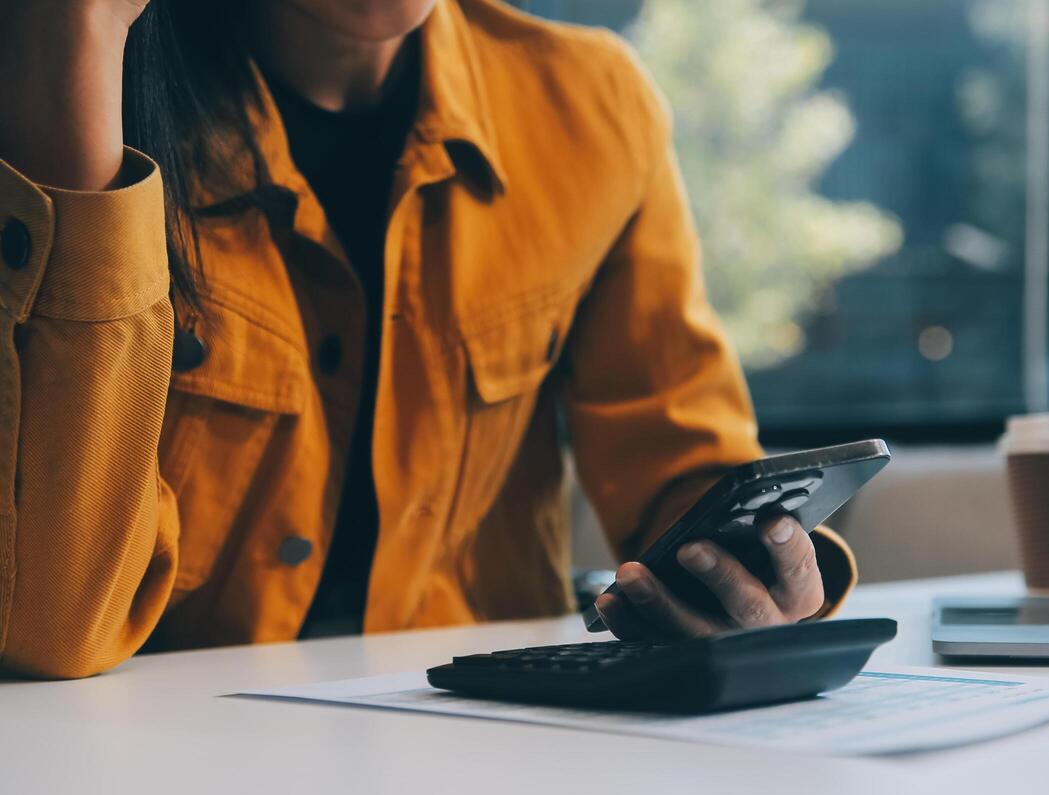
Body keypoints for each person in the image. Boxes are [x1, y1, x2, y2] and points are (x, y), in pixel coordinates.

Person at [0, 0, 854, 678]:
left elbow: (681, 470)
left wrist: (749, 575)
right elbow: (50, 626)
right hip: (140, 777)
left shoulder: (591, 109)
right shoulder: (58, 85)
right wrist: (75, 28)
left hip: (478, 760)